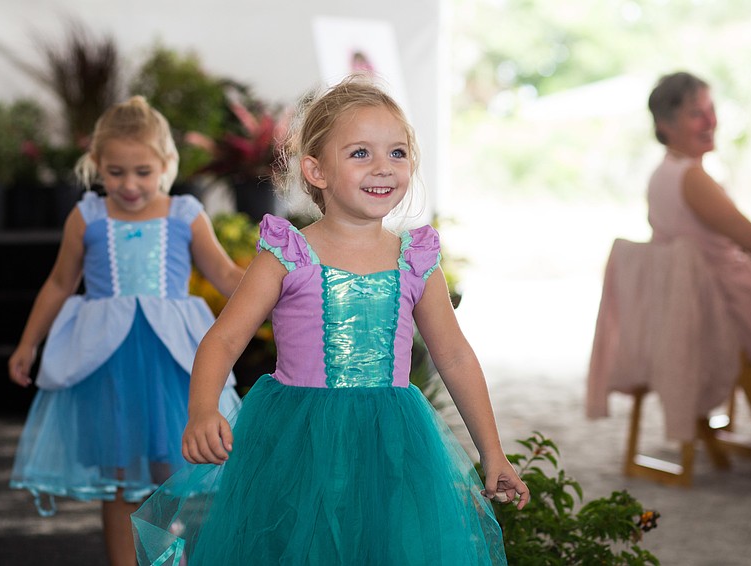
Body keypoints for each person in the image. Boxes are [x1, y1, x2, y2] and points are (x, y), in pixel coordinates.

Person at [131, 75, 528, 565]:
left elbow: (454, 356)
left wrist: (491, 451)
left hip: (394, 442)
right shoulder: (289, 253)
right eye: (360, 153)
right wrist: (202, 410)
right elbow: (224, 338)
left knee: (388, 546)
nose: (383, 167)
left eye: (398, 153)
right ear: (316, 170)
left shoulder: (416, 261)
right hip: (300, 440)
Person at [7, 95, 244, 566]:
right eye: (115, 172)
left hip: (169, 366)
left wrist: (284, 284)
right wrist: (27, 343)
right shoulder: (87, 217)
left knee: (169, 475)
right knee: (117, 481)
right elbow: (59, 283)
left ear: (165, 164)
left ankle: (163, 558)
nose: (130, 185)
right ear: (96, 164)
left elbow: (228, 276)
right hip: (107, 367)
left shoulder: (184, 214)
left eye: (143, 172)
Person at [646, 71, 751, 409]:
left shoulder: (662, 173)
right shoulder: (691, 177)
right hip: (723, 309)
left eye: (711, 110)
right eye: (697, 113)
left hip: (691, 306)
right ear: (665, 125)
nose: (711, 120)